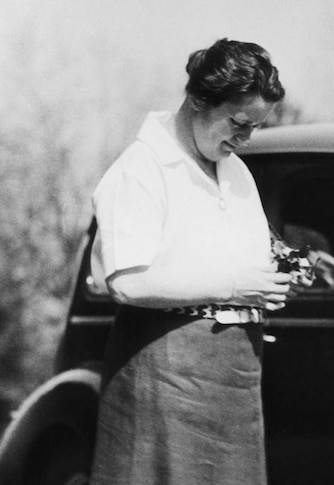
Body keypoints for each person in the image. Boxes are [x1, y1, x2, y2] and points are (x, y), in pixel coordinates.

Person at [89, 39, 298, 484]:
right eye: (238, 123)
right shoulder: (142, 167)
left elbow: (248, 262)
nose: (244, 139)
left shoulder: (236, 170)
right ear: (199, 101)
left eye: (254, 128)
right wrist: (233, 286)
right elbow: (127, 282)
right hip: (164, 377)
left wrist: (280, 276)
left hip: (235, 379)